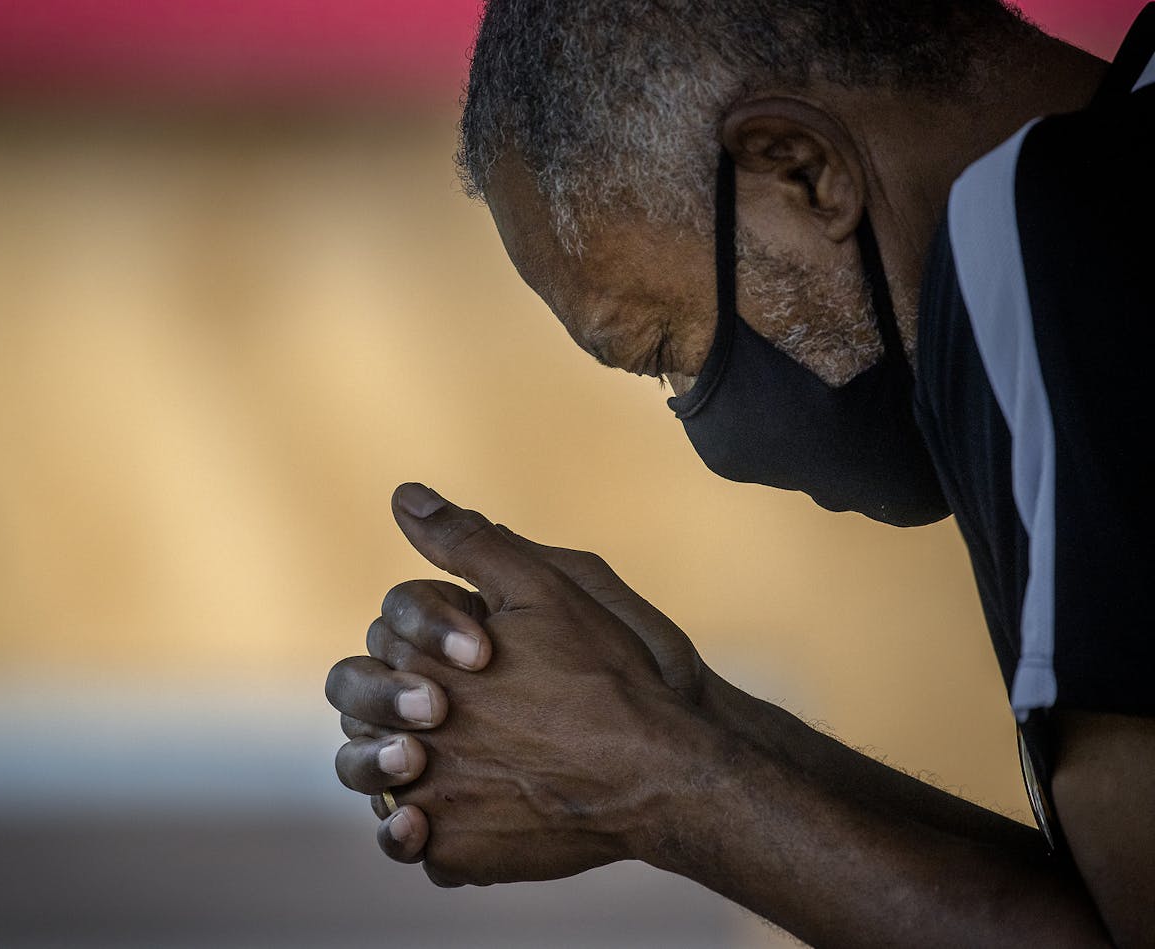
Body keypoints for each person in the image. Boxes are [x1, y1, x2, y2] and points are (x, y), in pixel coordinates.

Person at [326, 1, 1155, 944]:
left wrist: (647, 780)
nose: (702, 420)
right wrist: (690, 716)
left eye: (666, 351)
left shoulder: (1051, 226)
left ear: (800, 169)